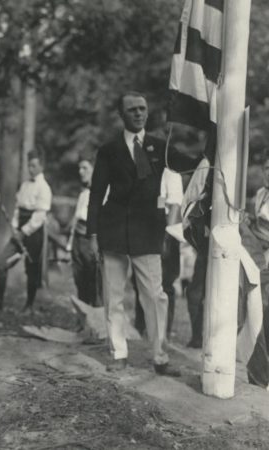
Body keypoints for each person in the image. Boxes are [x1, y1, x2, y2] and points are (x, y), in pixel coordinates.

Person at [87, 91, 199, 376]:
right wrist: (92, 234)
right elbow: (96, 194)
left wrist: (213, 144)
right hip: (113, 231)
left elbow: (189, 164)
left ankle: (160, 357)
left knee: (155, 295)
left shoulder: (159, 147)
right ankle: (119, 353)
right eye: (132, 109)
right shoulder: (109, 150)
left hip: (148, 231)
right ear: (121, 115)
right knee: (114, 297)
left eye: (142, 108)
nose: (138, 113)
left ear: (147, 112)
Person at [0, 151, 52, 312]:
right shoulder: (25, 185)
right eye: (29, 165)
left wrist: (24, 232)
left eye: (34, 165)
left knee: (31, 269)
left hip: (34, 231)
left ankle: (29, 304)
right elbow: (18, 209)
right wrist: (14, 226)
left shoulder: (44, 188)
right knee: (1, 262)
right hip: (19, 228)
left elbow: (40, 216)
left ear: (42, 166)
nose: (30, 169)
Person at [133, 168, 184, 338]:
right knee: (140, 279)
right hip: (145, 227)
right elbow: (157, 201)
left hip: (166, 230)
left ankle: (164, 331)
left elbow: (175, 204)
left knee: (166, 282)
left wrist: (166, 237)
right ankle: (141, 326)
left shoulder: (171, 173)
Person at [67, 155, 101, 306]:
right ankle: (82, 321)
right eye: (79, 168)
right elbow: (76, 220)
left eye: (85, 168)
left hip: (92, 239)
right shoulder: (83, 194)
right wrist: (70, 245)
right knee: (80, 281)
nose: (81, 172)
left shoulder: (103, 191)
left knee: (93, 282)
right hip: (78, 240)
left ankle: (95, 323)